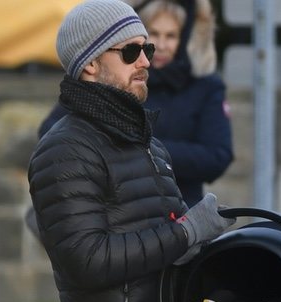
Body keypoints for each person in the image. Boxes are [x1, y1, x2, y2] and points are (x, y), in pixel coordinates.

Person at [27, 0, 235, 302]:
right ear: (88, 64)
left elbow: (172, 248)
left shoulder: (148, 143)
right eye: (129, 52)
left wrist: (209, 246)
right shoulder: (63, 149)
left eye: (147, 51)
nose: (145, 61)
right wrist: (184, 233)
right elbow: (87, 260)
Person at [38, 0, 233, 207]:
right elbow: (52, 131)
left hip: (184, 207)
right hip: (119, 209)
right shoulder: (116, 83)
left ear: (185, 38)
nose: (162, 46)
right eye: (154, 35)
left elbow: (217, 156)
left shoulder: (204, 86)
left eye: (171, 36)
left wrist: (141, 150)